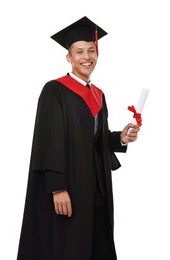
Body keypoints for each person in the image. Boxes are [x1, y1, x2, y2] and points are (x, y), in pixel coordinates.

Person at [16, 16, 140, 260]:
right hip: (70, 187)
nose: (87, 57)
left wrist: (121, 139)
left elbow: (95, 140)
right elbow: (48, 141)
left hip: (95, 187)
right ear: (69, 57)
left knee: (97, 243)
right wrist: (58, 187)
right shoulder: (55, 90)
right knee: (69, 246)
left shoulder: (99, 95)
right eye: (79, 51)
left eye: (91, 50)